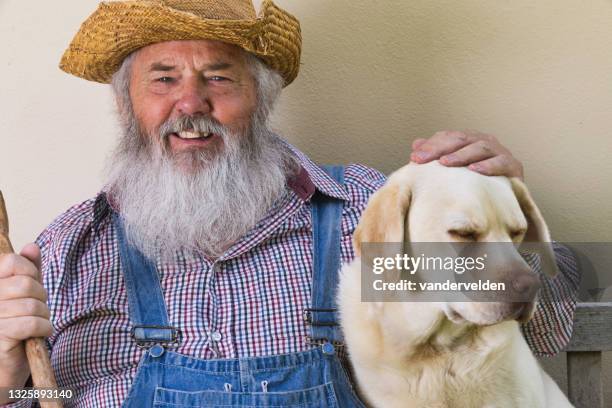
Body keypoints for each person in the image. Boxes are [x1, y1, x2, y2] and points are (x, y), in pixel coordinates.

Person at [0, 0, 579, 407]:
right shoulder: (72, 247)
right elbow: (47, 399)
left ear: (261, 98)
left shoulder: (359, 215)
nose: (190, 102)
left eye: (219, 79)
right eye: (163, 79)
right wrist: (6, 379)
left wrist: (507, 224)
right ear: (128, 106)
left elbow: (540, 330)